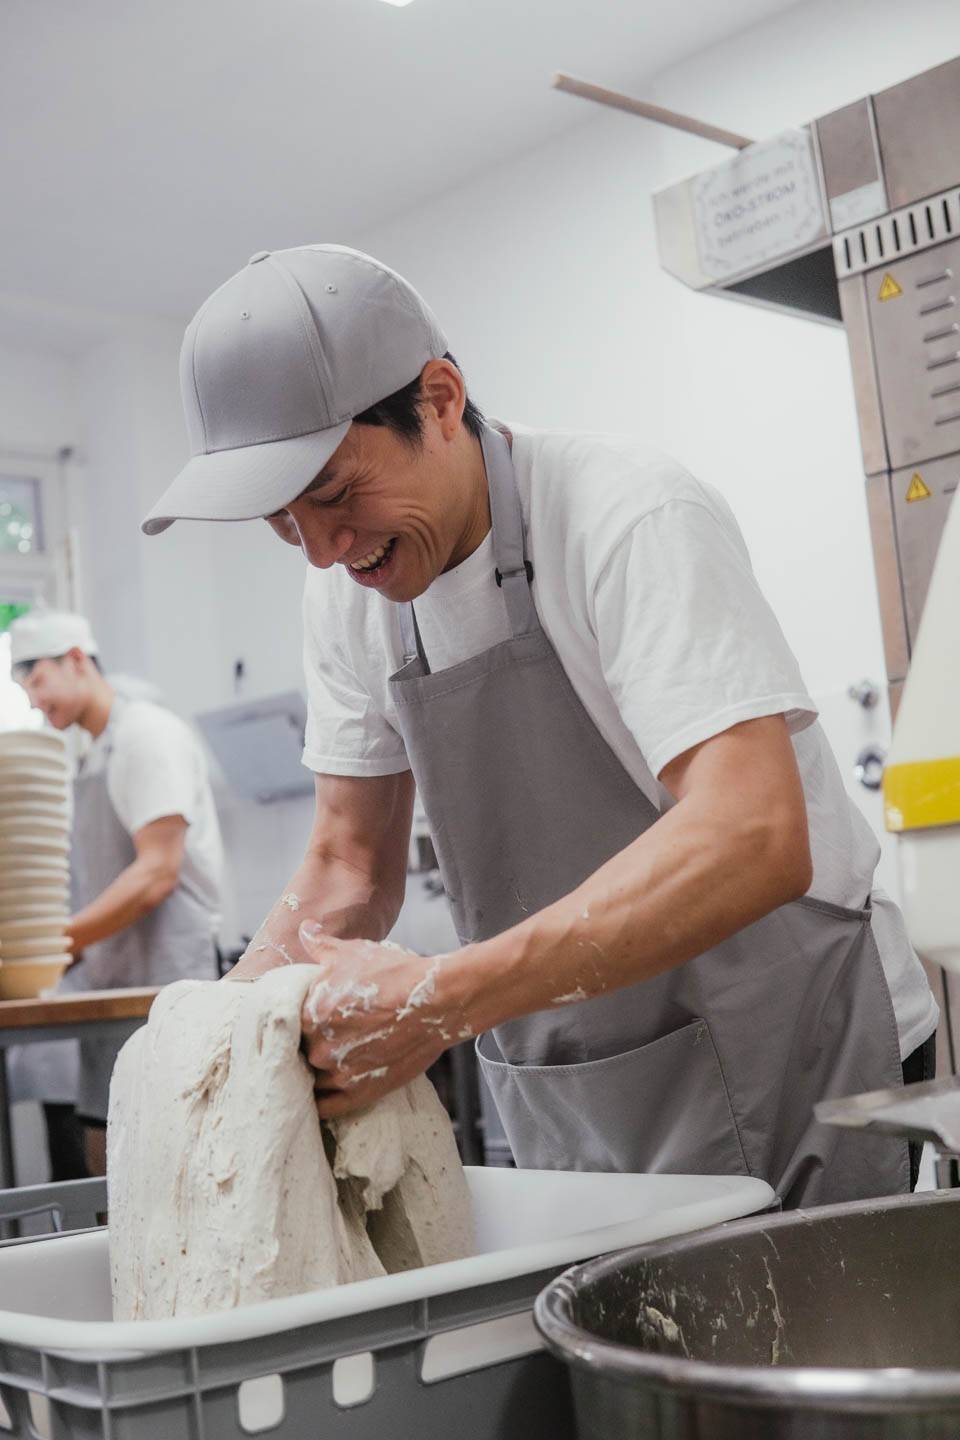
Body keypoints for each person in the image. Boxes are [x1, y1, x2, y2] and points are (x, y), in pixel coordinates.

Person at [142, 245, 938, 1207]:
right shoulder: (352, 596)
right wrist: (225, 1042)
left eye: (336, 495)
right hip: (582, 1093)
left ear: (439, 400)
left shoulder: (625, 514)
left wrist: (443, 995)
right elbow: (349, 866)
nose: (320, 551)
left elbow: (752, 836)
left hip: (795, 1055)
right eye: (281, 520)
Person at [10, 610, 224, 1174]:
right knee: (111, 1168)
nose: (33, 701)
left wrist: (47, 948)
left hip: (167, 986)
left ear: (77, 660)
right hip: (115, 987)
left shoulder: (146, 735)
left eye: (35, 681)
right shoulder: (94, 753)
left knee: (172, 1167)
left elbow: (157, 873)